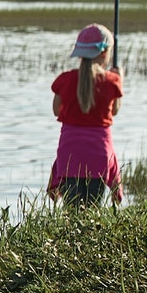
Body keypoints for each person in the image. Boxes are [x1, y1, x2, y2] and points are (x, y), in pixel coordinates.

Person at [48, 24, 122, 205]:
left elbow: (56, 110)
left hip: (70, 156)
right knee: (92, 210)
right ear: (105, 54)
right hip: (99, 157)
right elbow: (114, 111)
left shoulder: (65, 80)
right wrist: (119, 78)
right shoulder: (112, 82)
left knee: (71, 212)